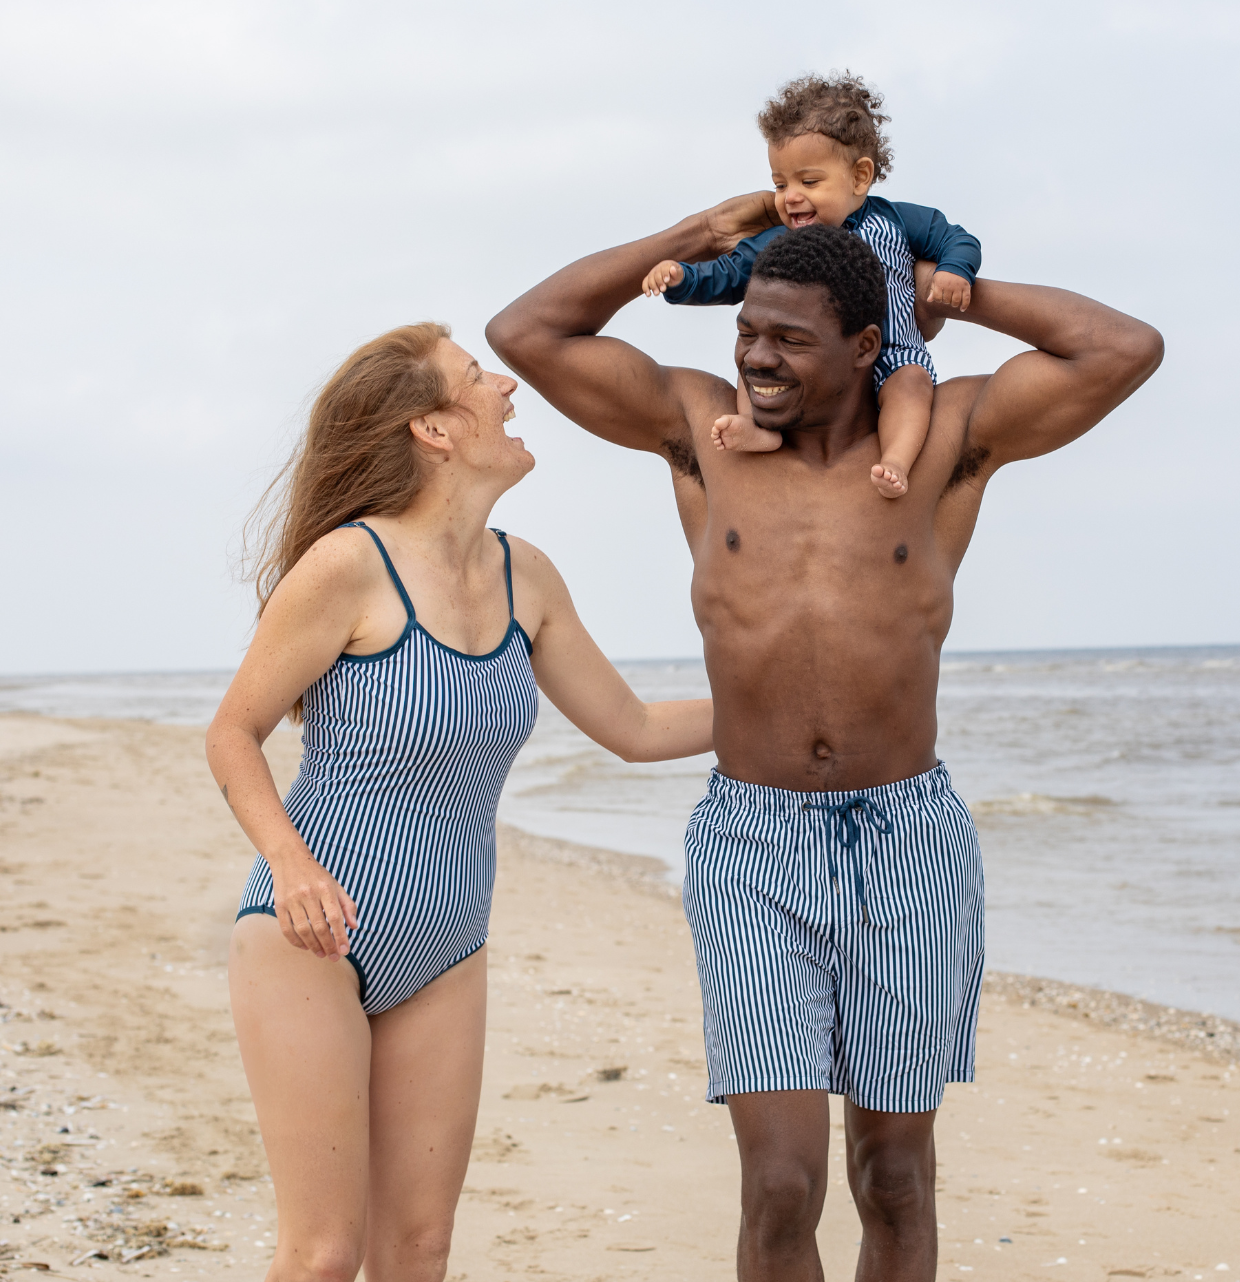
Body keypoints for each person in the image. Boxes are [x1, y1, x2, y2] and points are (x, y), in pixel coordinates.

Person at [486, 209, 1162, 1282]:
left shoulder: (941, 439)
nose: (755, 355)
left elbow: (1124, 349)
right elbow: (526, 333)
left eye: (791, 339)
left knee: (894, 1177)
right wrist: (705, 229)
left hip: (910, 840)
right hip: (752, 844)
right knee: (781, 1183)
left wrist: (952, 294)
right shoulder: (700, 430)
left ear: (863, 345)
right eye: (749, 330)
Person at [204, 322, 713, 1282]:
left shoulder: (527, 574)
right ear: (432, 429)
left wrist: (793, 706)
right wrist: (290, 862)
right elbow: (233, 734)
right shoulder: (348, 567)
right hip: (311, 933)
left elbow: (636, 727)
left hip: (448, 943)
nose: (509, 390)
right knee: (322, 1255)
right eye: (480, 378)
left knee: (421, 1248)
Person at [641, 71, 980, 498]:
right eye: (780, 184)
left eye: (809, 181)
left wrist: (953, 271)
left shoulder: (895, 219)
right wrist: (682, 278)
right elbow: (730, 273)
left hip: (896, 350)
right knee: (754, 361)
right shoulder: (780, 243)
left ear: (859, 177)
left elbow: (956, 238)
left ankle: (895, 460)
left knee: (912, 386)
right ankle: (758, 428)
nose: (789, 197)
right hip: (811, 372)